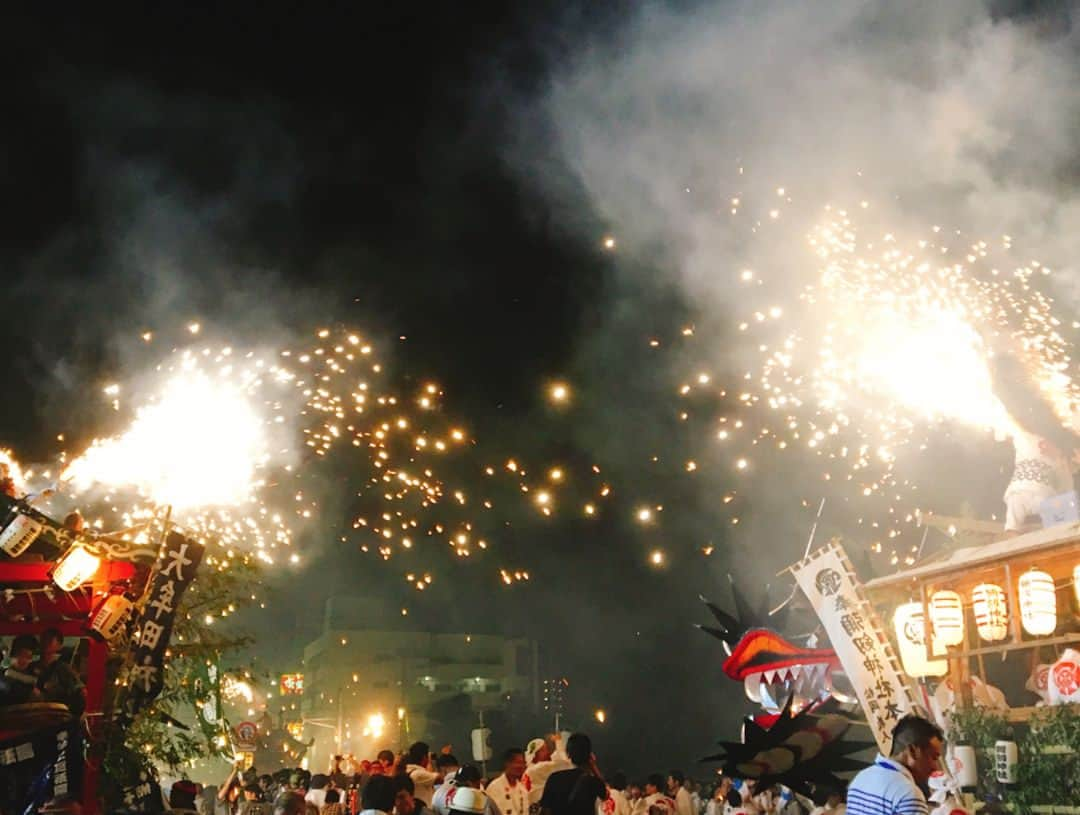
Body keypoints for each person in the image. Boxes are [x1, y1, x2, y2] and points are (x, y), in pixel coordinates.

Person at [846, 715, 943, 815]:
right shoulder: (908, 794)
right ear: (913, 751)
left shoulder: (861, 778)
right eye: (934, 758)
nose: (935, 767)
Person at [538, 733, 607, 815]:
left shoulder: (554, 778)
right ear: (589, 755)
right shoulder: (592, 782)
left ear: (568, 753)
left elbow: (545, 811)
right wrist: (593, 766)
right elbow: (605, 795)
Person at [35, 628, 85, 717]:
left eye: (50, 639)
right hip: (34, 717)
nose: (46, 642)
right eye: (44, 639)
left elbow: (81, 692)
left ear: (59, 645)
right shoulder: (31, 667)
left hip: (56, 718)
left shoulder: (64, 669)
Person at [523, 735, 571, 815]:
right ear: (537, 753)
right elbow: (563, 763)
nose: (548, 752)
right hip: (538, 809)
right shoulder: (539, 768)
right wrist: (558, 741)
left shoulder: (529, 769)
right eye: (545, 749)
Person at [485, 749, 529, 815]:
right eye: (518, 762)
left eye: (523, 763)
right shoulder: (494, 787)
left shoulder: (522, 789)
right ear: (507, 764)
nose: (521, 766)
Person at [2, 634, 40, 703]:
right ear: (13, 655)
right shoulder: (3, 675)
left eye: (28, 657)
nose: (24, 660)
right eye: (20, 655)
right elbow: (8, 688)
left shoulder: (34, 674)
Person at [404, 742, 442, 807]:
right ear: (424, 757)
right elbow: (441, 779)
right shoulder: (419, 774)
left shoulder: (408, 770)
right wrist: (430, 762)